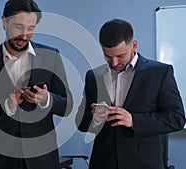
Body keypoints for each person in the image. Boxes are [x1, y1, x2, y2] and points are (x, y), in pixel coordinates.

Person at [75, 18, 186, 169]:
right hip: (103, 162)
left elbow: (177, 118)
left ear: (134, 45)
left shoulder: (160, 73)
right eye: (108, 56)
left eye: (120, 56)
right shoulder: (93, 76)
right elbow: (81, 123)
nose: (114, 63)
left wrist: (134, 120)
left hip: (144, 163)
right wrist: (94, 118)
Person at [0, 0, 73, 169]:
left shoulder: (51, 56)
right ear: (4, 22)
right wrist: (9, 105)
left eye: (31, 28)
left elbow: (67, 105)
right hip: (1, 157)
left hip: (42, 159)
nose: (25, 35)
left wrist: (47, 99)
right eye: (19, 27)